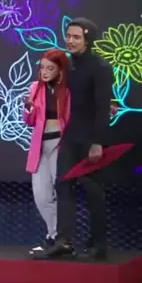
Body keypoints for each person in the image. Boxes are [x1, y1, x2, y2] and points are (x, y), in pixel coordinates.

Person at [33, 17, 114, 261]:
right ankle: (64, 242)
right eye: (68, 36)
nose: (70, 40)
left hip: (90, 139)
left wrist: (97, 142)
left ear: (88, 39)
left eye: (76, 37)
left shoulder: (100, 67)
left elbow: (102, 107)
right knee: (63, 187)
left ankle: (99, 245)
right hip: (69, 137)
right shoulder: (67, 66)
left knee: (93, 191)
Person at [23, 49, 70, 254]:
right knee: (41, 195)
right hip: (40, 146)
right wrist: (28, 108)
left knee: (60, 192)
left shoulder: (67, 90)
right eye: (42, 67)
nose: (44, 72)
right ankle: (53, 235)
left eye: (50, 68)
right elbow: (29, 121)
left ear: (60, 70)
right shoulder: (35, 88)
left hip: (61, 143)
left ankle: (59, 239)